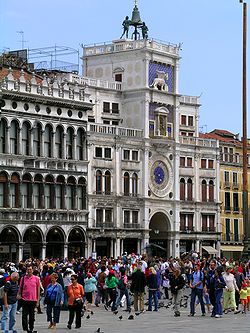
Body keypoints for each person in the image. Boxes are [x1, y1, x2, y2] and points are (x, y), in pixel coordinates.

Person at [17, 265, 40, 333]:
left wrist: (38, 300)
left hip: (33, 300)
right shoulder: (23, 278)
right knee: (24, 315)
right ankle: (25, 328)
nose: (29, 271)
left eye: (30, 269)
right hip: (24, 299)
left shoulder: (36, 278)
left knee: (32, 316)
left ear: (32, 270)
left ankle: (31, 328)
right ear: (26, 270)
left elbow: (38, 290)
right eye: (28, 269)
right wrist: (18, 294)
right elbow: (20, 288)